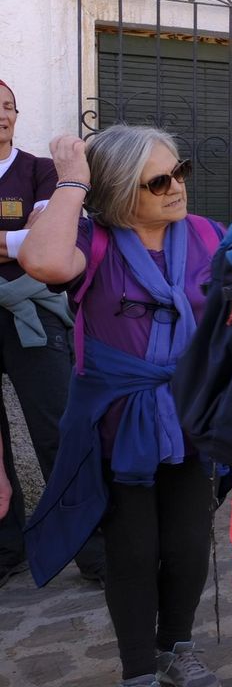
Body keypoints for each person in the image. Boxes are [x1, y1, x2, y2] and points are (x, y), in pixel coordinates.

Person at [20, 125, 226, 687]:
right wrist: (70, 182)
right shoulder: (95, 241)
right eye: (157, 181)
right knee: (134, 551)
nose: (176, 187)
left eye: (180, 171)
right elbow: (40, 260)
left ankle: (175, 650)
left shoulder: (209, 236)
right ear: (116, 191)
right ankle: (137, 671)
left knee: (187, 545)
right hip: (116, 424)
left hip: (188, 417)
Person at [0, 78, 106, 588]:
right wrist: (19, 240)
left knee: (59, 429)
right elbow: (27, 240)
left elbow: (45, 243)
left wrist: (24, 241)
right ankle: (7, 550)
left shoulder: (42, 171)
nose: (1, 115)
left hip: (32, 317)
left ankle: (95, 549)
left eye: (8, 107)